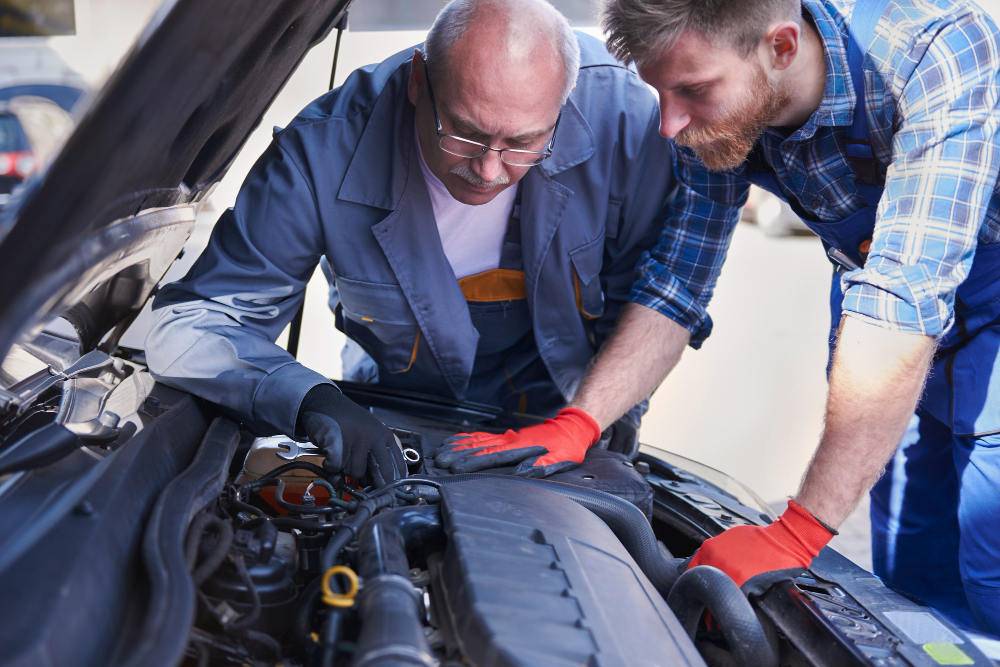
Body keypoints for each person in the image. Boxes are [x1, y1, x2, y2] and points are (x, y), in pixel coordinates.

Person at [449, 0, 1000, 634]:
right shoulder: (715, 113)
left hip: (925, 302)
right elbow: (679, 280)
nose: (668, 122)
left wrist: (799, 531)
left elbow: (901, 302)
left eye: (693, 90)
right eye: (659, 92)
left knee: (990, 570)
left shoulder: (935, 53)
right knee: (915, 570)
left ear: (783, 49)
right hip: (882, 295)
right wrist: (580, 421)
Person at [145, 0, 675, 484]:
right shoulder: (321, 155)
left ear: (565, 102)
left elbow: (659, 296)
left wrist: (605, 424)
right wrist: (310, 399)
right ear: (420, 80)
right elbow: (193, 322)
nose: (489, 171)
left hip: (562, 427)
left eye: (522, 142)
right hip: (395, 416)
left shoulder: (627, 122)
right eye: (464, 132)